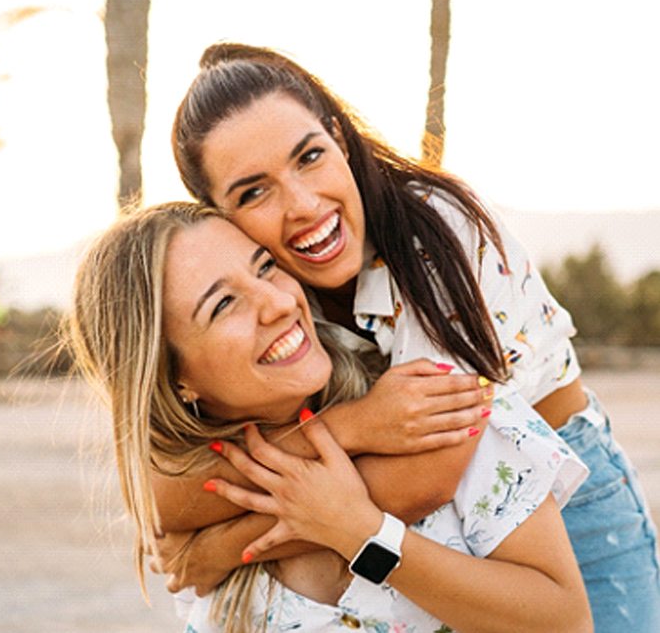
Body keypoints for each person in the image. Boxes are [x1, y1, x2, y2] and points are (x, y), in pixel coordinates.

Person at [169, 43, 660, 631]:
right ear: (218, 216)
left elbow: (431, 469)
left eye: (309, 157)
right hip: (432, 528)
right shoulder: (268, 294)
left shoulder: (439, 230)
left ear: (339, 139)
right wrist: (357, 430)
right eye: (254, 192)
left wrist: (216, 550)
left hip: (566, 500)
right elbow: (168, 495)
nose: (301, 205)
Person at [67, 201, 591, 632]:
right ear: (173, 378)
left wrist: (362, 533)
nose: (276, 302)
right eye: (224, 304)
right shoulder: (193, 528)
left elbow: (564, 623)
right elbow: (157, 496)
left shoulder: (433, 407)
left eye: (265, 266)